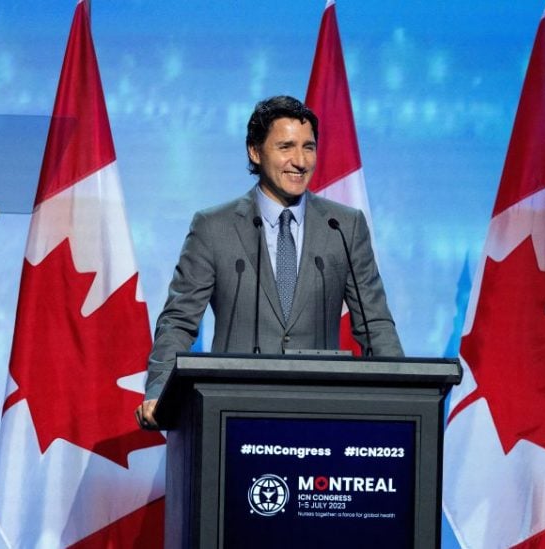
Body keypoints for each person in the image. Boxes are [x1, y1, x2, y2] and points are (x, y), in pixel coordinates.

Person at [135, 95, 403, 430]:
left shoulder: (343, 226)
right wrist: (160, 390)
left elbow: (374, 323)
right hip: (232, 414)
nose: (300, 161)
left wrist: (402, 398)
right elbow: (179, 322)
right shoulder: (214, 227)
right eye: (286, 146)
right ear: (255, 151)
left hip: (321, 415)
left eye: (309, 147)